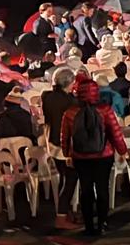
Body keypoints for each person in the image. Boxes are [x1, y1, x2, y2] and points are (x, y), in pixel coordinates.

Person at [61, 72, 128, 236]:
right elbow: (115, 133)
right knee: (102, 188)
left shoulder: (70, 112)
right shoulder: (105, 110)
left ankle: (89, 225)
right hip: (103, 155)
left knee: (85, 189)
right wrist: (123, 151)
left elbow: (65, 137)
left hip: (80, 157)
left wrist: (67, 154)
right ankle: (103, 223)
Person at [43, 67, 82, 228]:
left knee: (64, 179)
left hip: (52, 142)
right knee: (70, 181)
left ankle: (65, 212)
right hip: (66, 146)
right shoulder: (70, 102)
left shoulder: (47, 97)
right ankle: (61, 217)